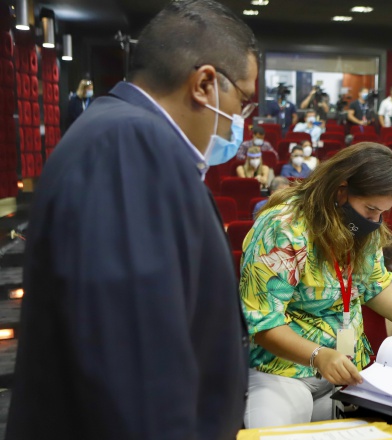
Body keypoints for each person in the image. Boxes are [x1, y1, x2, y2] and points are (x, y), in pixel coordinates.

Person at [7, 1, 257, 438]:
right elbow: (140, 365)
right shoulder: (129, 145)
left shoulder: (121, 134)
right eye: (244, 100)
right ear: (204, 85)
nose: (241, 122)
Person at [241, 143, 392, 428]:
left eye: (382, 213)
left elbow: (375, 284)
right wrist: (318, 356)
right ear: (340, 191)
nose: (375, 221)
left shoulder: (363, 229)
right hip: (284, 372)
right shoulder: (283, 227)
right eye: (370, 209)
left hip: (348, 370)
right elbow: (264, 324)